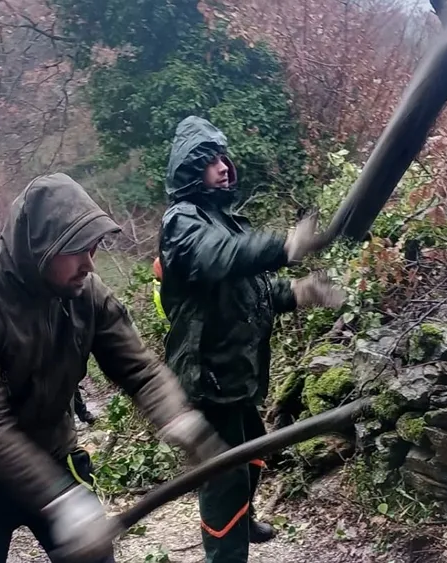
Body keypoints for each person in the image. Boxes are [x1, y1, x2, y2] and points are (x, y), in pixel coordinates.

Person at [0, 173, 229, 563]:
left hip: (52, 454)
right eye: (76, 250)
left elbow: (140, 370)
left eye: (93, 247)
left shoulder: (87, 293)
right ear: (39, 249)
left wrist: (179, 420)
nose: (89, 263)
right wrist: (61, 499)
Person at [157, 116, 345, 563]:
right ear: (189, 170)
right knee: (225, 476)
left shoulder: (226, 220)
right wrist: (284, 245)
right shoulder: (182, 222)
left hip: (237, 370)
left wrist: (297, 293)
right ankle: (225, 552)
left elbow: (250, 289)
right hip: (208, 373)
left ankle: (243, 520)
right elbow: (220, 259)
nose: (223, 167)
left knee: (254, 452)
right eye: (210, 161)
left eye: (224, 158)